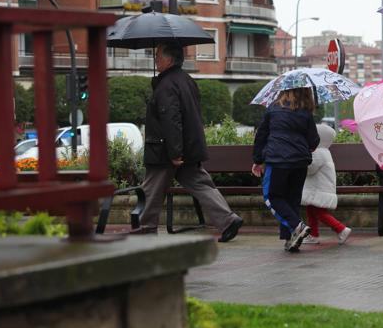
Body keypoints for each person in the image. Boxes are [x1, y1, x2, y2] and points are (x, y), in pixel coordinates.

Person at [131, 43, 243, 242]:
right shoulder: (187, 80)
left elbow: (170, 118)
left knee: (151, 189)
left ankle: (145, 229)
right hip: (189, 146)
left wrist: (175, 152)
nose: (155, 59)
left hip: (166, 150)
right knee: (201, 184)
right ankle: (228, 219)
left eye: (158, 55)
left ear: (169, 59)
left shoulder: (166, 85)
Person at [251, 87, 320, 252]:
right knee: (292, 200)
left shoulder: (273, 109)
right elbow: (314, 141)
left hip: (278, 161)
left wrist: (258, 160)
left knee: (272, 197)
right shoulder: (306, 113)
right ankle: (290, 239)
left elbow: (261, 136)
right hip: (300, 163)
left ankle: (297, 226)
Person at [301, 124, 351, 245]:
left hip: (318, 189)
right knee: (311, 210)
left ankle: (341, 229)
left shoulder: (318, 152)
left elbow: (310, 169)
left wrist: (302, 162)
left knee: (319, 213)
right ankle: (313, 234)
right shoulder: (324, 151)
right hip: (317, 188)